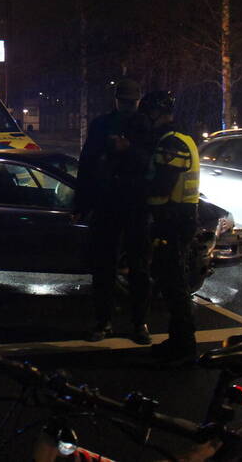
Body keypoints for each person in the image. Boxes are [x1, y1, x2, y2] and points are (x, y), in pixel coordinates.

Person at [77, 78, 153, 345]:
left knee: (132, 268)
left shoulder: (137, 125)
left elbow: (149, 162)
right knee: (110, 267)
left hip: (126, 203)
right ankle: (116, 322)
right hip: (118, 203)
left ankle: (129, 323)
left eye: (130, 102)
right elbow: (87, 163)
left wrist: (127, 149)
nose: (128, 106)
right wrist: (81, 203)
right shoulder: (122, 125)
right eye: (126, 101)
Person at [140, 91, 201, 367]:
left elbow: (162, 186)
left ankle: (184, 345)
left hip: (172, 220)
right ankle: (179, 341)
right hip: (179, 218)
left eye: (148, 114)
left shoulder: (172, 143)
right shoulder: (181, 138)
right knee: (173, 282)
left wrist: (136, 189)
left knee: (174, 285)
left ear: (156, 113)